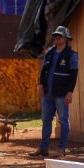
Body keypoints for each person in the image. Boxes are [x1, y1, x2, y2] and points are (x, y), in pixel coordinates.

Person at [31, 26, 79, 158]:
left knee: (63, 120)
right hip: (48, 93)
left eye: (60, 36)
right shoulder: (50, 52)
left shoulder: (71, 55)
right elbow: (43, 70)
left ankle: (62, 148)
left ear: (66, 38)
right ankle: (43, 148)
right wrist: (40, 84)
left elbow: (74, 75)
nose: (57, 37)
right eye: (56, 35)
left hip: (62, 93)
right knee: (46, 120)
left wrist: (70, 92)